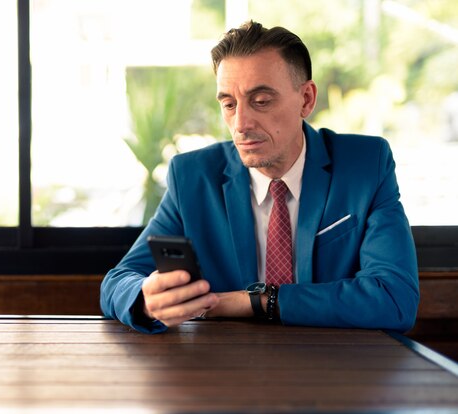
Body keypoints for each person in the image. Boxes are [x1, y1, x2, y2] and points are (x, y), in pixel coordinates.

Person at [100, 20, 419, 334]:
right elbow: (118, 281)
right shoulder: (192, 177)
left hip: (338, 369)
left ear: (306, 99)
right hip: (225, 370)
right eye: (228, 103)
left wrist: (255, 302)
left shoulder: (365, 165)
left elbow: (395, 298)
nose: (240, 123)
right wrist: (145, 298)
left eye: (261, 101)